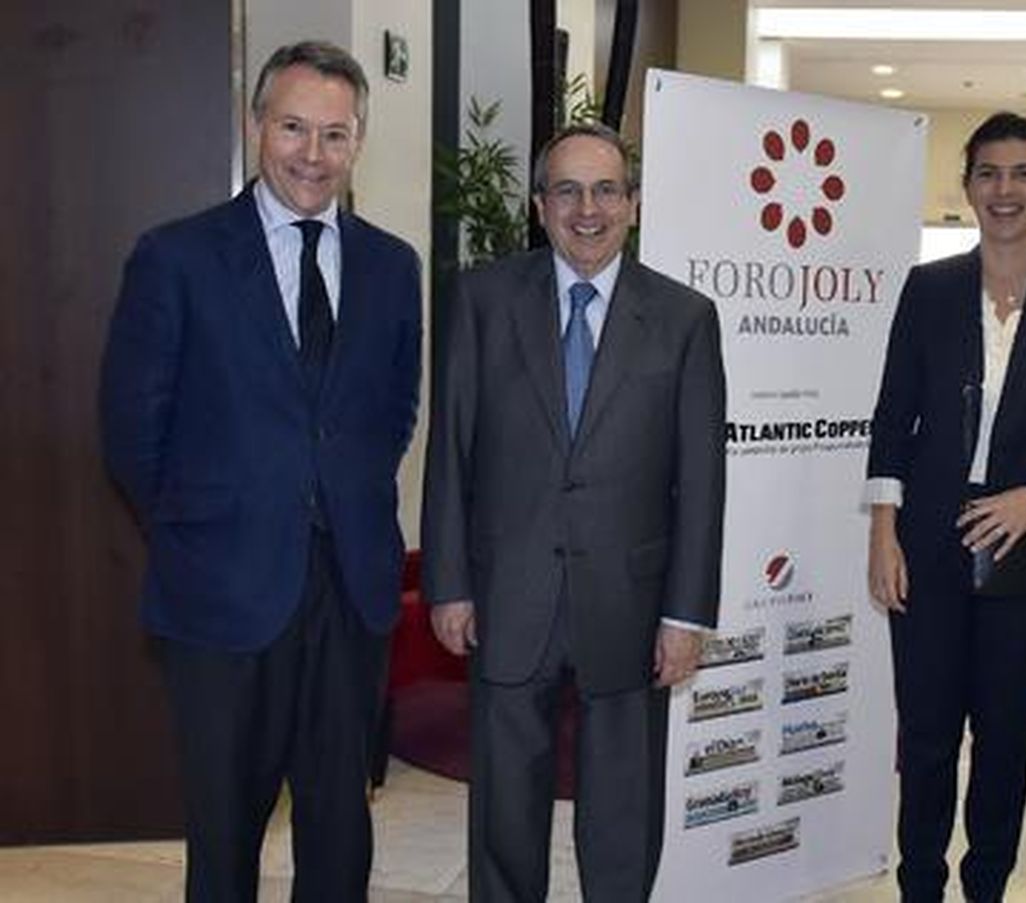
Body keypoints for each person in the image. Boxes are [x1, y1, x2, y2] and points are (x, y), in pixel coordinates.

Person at [100, 40, 422, 901]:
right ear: (255, 127)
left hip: (349, 589)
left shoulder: (394, 267)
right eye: (292, 128)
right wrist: (203, 525)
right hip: (221, 591)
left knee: (337, 827)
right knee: (224, 830)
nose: (312, 155)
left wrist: (337, 493)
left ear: (358, 143)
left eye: (334, 134)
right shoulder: (176, 257)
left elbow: (393, 412)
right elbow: (132, 429)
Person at [421, 122, 727, 902]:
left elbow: (700, 478)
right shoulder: (482, 301)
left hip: (631, 601)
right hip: (507, 593)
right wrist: (448, 583)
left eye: (604, 190)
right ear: (538, 203)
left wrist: (687, 613)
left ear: (631, 203)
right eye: (566, 190)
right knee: (503, 812)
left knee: (624, 810)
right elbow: (449, 453)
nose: (585, 209)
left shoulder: (685, 318)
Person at [865, 111, 1026, 903]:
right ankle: (920, 887)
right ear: (968, 187)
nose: (1004, 190)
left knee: (1005, 738)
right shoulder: (930, 287)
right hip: (930, 538)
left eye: (1022, 173)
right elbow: (892, 414)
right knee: (927, 736)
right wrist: (883, 531)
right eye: (988, 173)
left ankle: (986, 887)